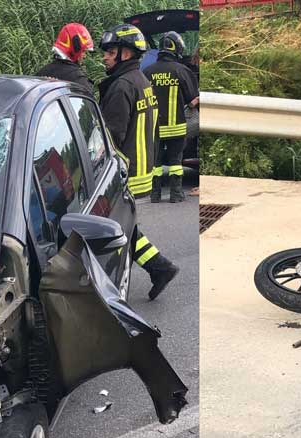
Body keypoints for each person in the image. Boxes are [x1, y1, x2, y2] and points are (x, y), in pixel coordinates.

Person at [98, 23, 179, 300]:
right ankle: (160, 267)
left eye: (110, 52)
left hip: (125, 170)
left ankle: (151, 270)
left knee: (111, 227)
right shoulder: (141, 81)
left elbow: (112, 136)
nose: (105, 57)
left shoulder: (121, 86)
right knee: (123, 225)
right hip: (142, 168)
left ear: (126, 53)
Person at [144, 32, 199, 203]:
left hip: (154, 126)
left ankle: (155, 194)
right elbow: (192, 102)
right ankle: (176, 194)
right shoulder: (182, 70)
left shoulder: (146, 72)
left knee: (156, 163)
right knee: (175, 161)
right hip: (177, 125)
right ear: (176, 48)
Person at [35, 23, 94, 92]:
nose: (84, 56)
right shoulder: (78, 79)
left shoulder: (41, 73)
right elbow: (86, 101)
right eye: (83, 51)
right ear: (75, 48)